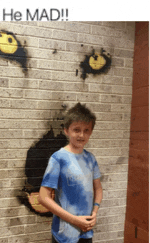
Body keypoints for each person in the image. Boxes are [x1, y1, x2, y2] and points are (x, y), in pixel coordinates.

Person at [38, 103, 103, 243]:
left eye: (86, 130)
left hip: (86, 231)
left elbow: (98, 188)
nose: (82, 135)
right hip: (64, 234)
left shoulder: (91, 159)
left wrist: (94, 213)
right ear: (66, 130)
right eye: (76, 130)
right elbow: (43, 197)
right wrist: (74, 220)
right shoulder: (58, 158)